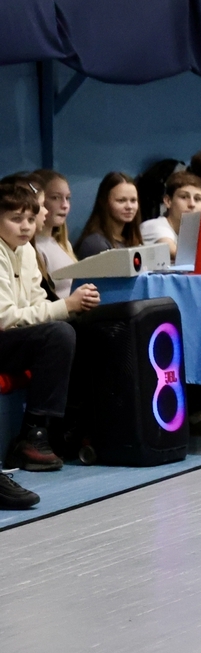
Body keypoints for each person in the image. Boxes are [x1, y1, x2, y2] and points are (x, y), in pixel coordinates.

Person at [0, 177, 100, 476]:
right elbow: (5, 318)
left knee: (85, 329)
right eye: (16, 219)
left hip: (14, 338)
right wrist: (65, 306)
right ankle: (34, 433)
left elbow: (36, 303)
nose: (25, 227)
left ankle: (78, 425)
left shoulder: (26, 251)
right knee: (58, 333)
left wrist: (73, 309)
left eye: (31, 219)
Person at [32, 169, 76, 300]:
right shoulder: (33, 248)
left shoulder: (63, 244)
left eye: (67, 198)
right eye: (55, 198)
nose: (65, 205)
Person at [75, 172, 142, 258]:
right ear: (104, 202)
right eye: (121, 200)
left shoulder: (131, 239)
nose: (129, 206)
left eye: (133, 200)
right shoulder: (96, 244)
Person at [141, 171, 201, 260]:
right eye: (184, 197)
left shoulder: (193, 233)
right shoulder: (154, 226)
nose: (192, 204)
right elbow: (178, 255)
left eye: (197, 199)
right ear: (168, 201)